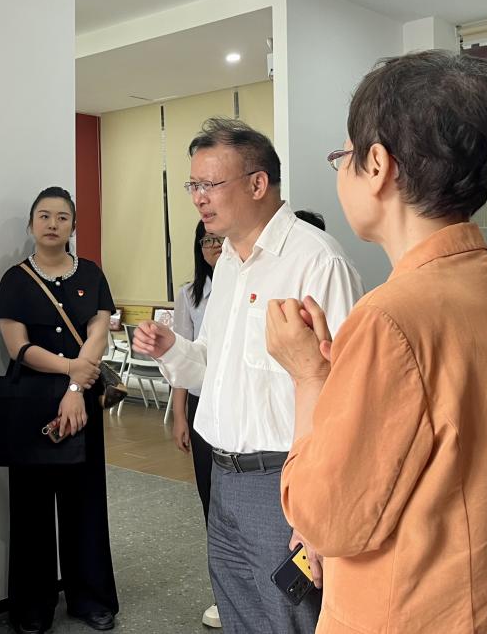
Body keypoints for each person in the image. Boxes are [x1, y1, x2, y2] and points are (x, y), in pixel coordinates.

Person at [266, 50, 487, 632]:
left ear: (377, 165)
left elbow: (326, 520)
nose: (340, 170)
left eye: (343, 156)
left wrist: (308, 377)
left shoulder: (392, 317)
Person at [133, 119, 363, 634]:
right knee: (238, 612)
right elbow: (214, 368)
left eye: (210, 184)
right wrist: (173, 350)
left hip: (284, 484)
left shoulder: (316, 262)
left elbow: (348, 395)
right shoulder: (230, 264)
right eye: (193, 185)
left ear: (258, 184)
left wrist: (317, 510)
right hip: (224, 478)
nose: (198, 198)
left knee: (289, 620)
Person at [0, 187, 119, 634]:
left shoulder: (91, 272)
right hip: (31, 402)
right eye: (44, 216)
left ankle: (91, 599)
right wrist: (71, 371)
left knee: (86, 501)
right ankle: (33, 606)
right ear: (31, 224)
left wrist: (75, 387)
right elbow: (18, 347)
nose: (52, 224)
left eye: (62, 217)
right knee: (32, 508)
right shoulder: (15, 279)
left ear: (73, 226)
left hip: (82, 400)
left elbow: (98, 333)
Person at [169, 220, 222, 628]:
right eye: (207, 240)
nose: (215, 246)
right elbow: (182, 358)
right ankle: (223, 591)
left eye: (220, 239)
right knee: (210, 495)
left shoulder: (252, 283)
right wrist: (179, 415)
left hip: (240, 403)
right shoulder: (191, 295)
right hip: (204, 403)